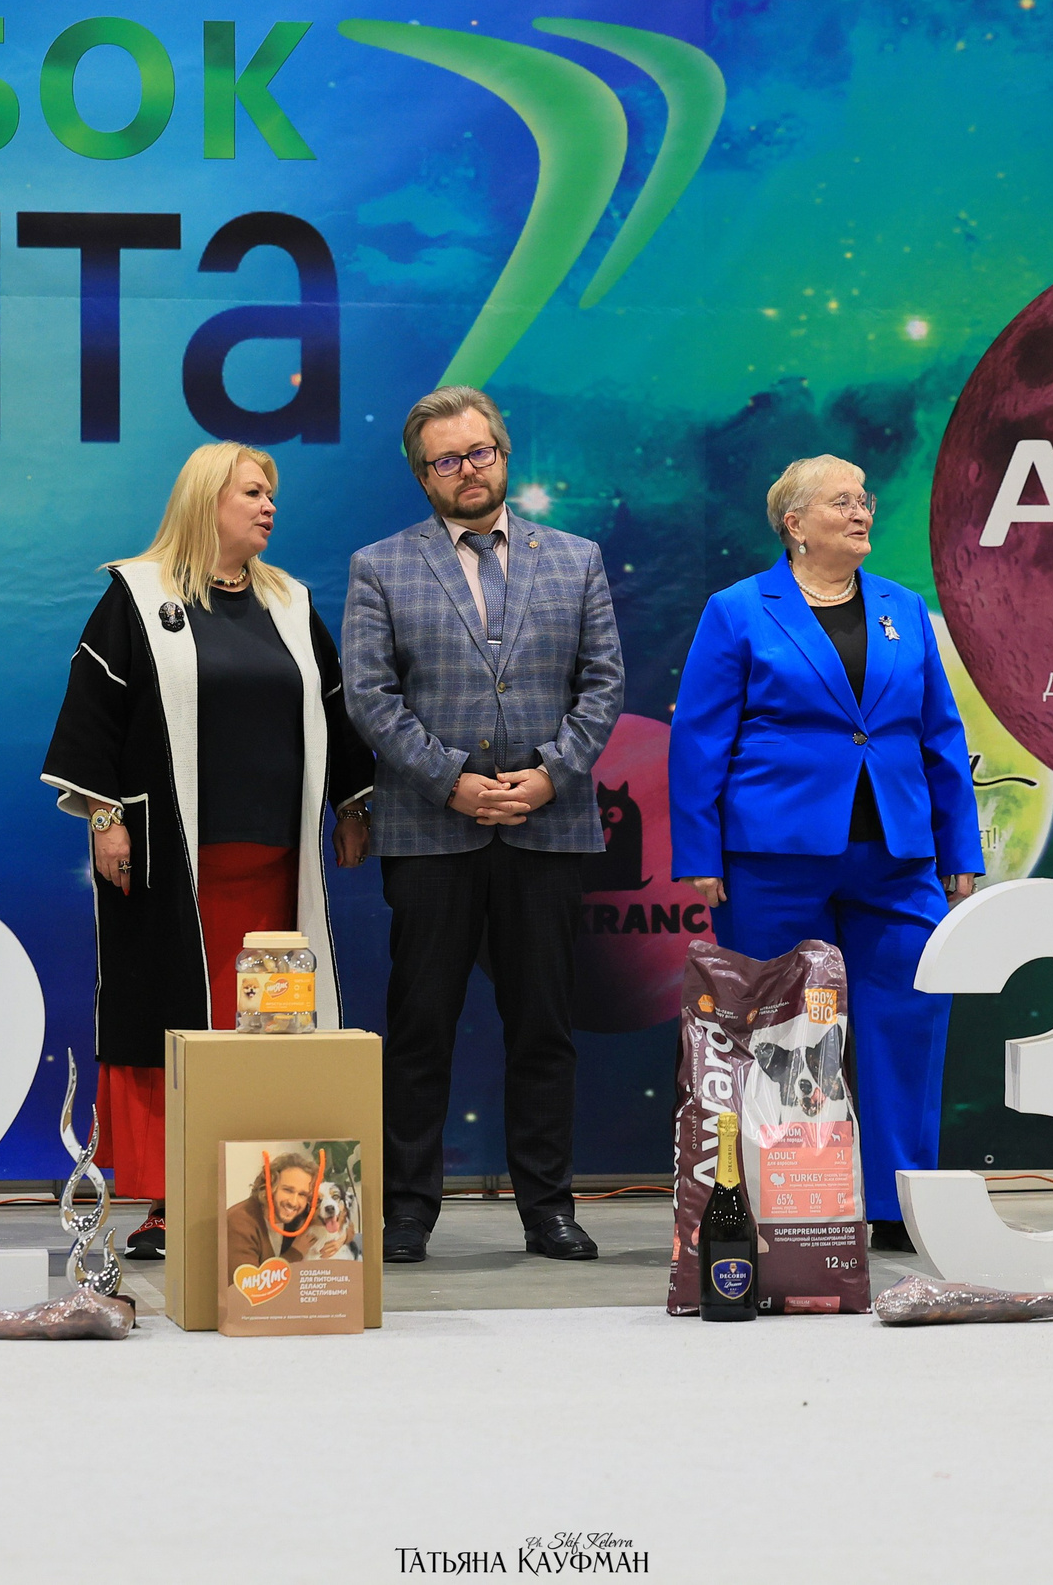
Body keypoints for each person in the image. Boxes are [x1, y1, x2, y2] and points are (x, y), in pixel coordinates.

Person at [40, 443, 374, 1260]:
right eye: (253, 492)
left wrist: (350, 802)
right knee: (176, 1022)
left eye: (273, 494)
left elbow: (331, 704)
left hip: (274, 870)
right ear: (205, 500)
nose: (269, 506)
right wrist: (103, 817)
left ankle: (270, 1204)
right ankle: (173, 1203)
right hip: (169, 870)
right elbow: (93, 721)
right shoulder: (137, 596)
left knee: (270, 1033)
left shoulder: (290, 601)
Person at [667, 454, 985, 1253]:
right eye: (841, 501)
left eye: (865, 499)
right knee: (779, 1031)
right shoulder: (739, 610)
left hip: (898, 853)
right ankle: (787, 1196)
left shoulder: (903, 608)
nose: (862, 511)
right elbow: (700, 739)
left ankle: (896, 1202)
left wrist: (960, 845)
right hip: (775, 852)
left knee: (906, 1016)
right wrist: (700, 851)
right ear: (794, 522)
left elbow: (941, 734)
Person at [342, 386, 624, 1265]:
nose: (467, 470)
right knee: (420, 1025)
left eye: (480, 452)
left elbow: (605, 684)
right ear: (422, 475)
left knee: (544, 1027)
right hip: (432, 832)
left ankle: (549, 1210)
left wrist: (548, 777)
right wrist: (452, 781)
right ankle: (406, 1214)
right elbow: (370, 697)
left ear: (504, 452)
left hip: (549, 828)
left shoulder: (576, 559)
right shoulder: (379, 566)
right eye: (445, 460)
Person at [224, 1149, 322, 1284]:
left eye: (302, 1194)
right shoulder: (239, 1222)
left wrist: (342, 1238)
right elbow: (247, 1288)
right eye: (288, 1190)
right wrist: (295, 1253)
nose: (294, 1202)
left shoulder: (299, 1213)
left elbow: (343, 1220)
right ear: (269, 1186)